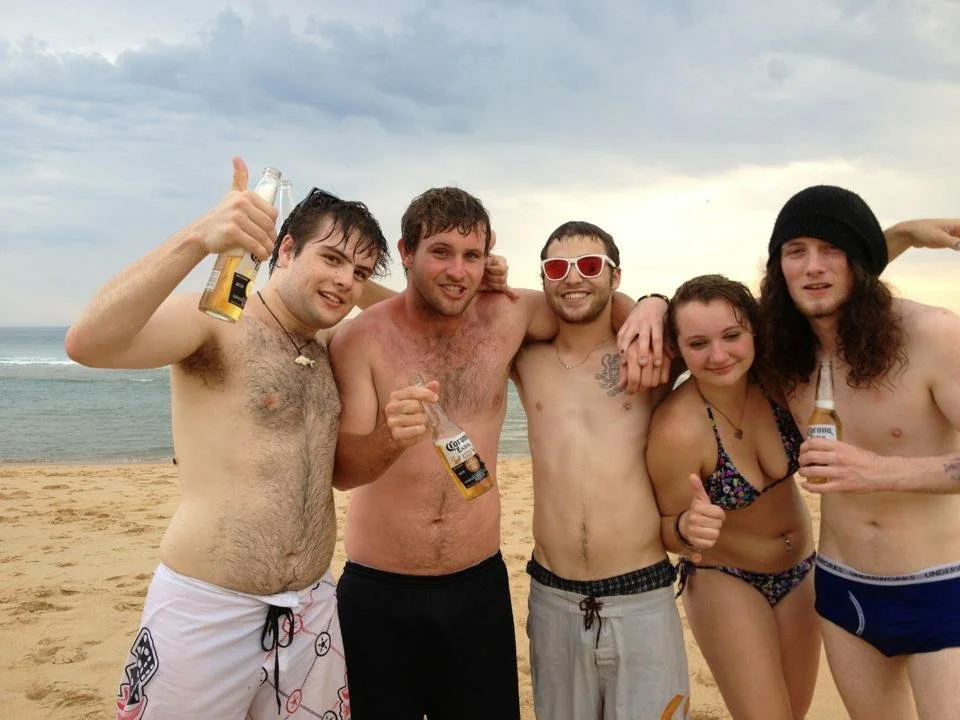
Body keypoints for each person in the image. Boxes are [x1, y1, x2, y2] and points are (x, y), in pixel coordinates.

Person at [65, 158, 390, 719]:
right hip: (207, 610)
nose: (345, 281)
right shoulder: (217, 320)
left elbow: (420, 319)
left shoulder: (333, 344)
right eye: (331, 258)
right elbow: (89, 342)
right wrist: (200, 236)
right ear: (284, 250)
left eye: (359, 272)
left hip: (310, 610)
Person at [329, 188, 665, 719]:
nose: (458, 271)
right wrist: (389, 439)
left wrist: (651, 306)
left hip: (476, 585)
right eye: (441, 252)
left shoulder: (508, 315)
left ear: (489, 259)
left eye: (472, 255)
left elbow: (585, 306)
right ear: (407, 252)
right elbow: (344, 472)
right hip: (379, 588)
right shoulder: (359, 340)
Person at [759, 185, 960, 720]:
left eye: (834, 248)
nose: (813, 266)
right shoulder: (785, 350)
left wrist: (881, 470)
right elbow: (705, 327)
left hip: (943, 585)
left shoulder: (934, 335)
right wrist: (650, 305)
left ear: (861, 261)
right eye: (795, 250)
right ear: (778, 267)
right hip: (843, 588)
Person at [512, 221, 689, 720]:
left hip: (642, 595)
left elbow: (726, 327)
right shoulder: (525, 358)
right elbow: (430, 321)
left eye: (590, 266)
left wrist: (655, 301)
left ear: (614, 276)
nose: (573, 279)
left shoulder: (649, 353)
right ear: (543, 279)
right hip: (553, 598)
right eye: (557, 267)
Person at [646, 275, 817, 720]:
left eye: (732, 336)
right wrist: (685, 528)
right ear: (678, 349)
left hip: (803, 570)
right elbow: (667, 527)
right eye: (698, 343)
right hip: (728, 578)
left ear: (754, 331)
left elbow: (826, 297)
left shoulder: (779, 383)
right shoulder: (678, 427)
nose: (719, 356)